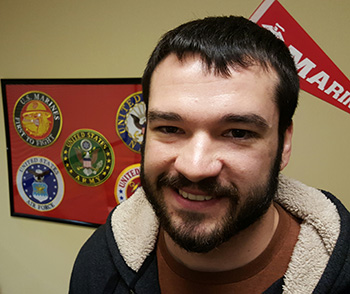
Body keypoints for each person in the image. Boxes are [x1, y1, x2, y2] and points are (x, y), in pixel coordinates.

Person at [69, 16, 350, 293]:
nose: (195, 167)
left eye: (237, 133)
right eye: (169, 128)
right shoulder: (99, 265)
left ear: (284, 143)